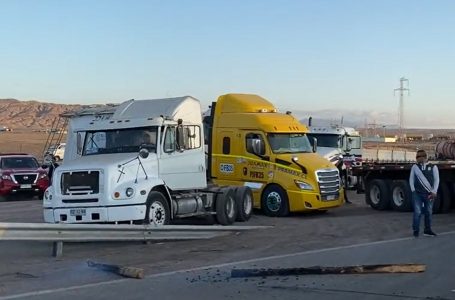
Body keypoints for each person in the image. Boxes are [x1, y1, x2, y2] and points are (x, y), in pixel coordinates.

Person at [409, 149, 439, 237]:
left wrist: (434, 191)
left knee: (428, 212)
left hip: (429, 194)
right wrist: (413, 191)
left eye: (420, 157)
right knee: (417, 212)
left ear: (425, 157)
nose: (418, 159)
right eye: (417, 157)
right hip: (417, 194)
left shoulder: (433, 167)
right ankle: (416, 230)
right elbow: (411, 179)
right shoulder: (415, 167)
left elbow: (437, 180)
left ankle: (427, 230)